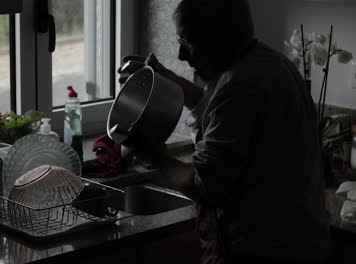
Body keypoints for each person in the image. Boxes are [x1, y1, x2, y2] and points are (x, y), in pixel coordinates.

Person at [118, 0, 331, 263]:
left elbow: (204, 184)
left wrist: (151, 153)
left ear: (219, 37)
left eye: (187, 40)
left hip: (262, 251)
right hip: (298, 244)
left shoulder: (239, 85)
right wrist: (165, 79)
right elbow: (218, 110)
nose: (181, 55)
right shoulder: (269, 63)